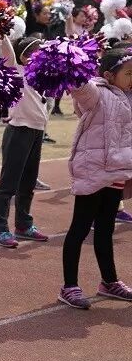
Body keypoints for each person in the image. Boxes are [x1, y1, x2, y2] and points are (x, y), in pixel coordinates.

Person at [57, 46, 132, 309]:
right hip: (93, 171)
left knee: (105, 229)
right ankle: (69, 286)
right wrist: (71, 61)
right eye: (128, 73)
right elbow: (80, 88)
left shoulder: (129, 96)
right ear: (109, 75)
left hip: (116, 171)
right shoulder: (97, 92)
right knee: (79, 228)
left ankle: (109, 281)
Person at [0, 38, 50, 249]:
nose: (40, 56)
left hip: (36, 132)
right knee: (8, 184)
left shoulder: (41, 76)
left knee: (28, 182)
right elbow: (8, 51)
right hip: (18, 132)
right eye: (35, 52)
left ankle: (23, 225)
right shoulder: (16, 71)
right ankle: (0, 229)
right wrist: (2, 31)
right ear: (24, 56)